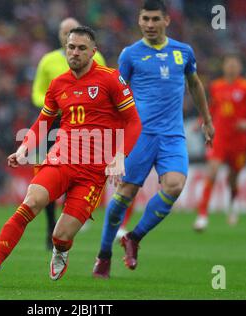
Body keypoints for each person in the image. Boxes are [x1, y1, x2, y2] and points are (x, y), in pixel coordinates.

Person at [0, 26, 141, 285]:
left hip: (93, 172)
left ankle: (60, 250)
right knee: (31, 202)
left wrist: (120, 156)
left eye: (81, 48)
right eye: (71, 47)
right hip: (60, 159)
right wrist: (23, 150)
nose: (75, 52)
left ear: (93, 52)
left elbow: (134, 122)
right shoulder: (58, 84)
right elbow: (43, 121)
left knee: (61, 234)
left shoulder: (110, 79)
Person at [92, 0, 214, 278]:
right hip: (139, 135)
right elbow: (115, 96)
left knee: (174, 185)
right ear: (139, 20)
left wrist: (207, 120)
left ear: (166, 21)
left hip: (172, 134)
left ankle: (134, 237)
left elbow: (194, 84)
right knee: (125, 194)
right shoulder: (130, 54)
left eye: (154, 19)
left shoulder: (183, 52)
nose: (149, 24)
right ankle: (104, 254)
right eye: (144, 19)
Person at [32, 18, 106, 250]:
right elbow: (38, 92)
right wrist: (54, 107)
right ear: (60, 37)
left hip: (84, 128)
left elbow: (104, 90)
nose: (68, 37)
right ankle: (50, 226)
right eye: (64, 33)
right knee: (48, 176)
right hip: (54, 124)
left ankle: (69, 217)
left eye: (71, 32)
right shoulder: (48, 61)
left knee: (76, 175)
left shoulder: (97, 60)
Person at [193, 54, 246, 231]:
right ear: (224, 67)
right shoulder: (216, 86)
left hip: (239, 141)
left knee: (233, 179)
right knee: (212, 172)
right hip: (219, 137)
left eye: (235, 64)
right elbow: (210, 107)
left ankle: (233, 203)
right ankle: (202, 215)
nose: (232, 67)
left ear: (239, 67)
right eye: (229, 64)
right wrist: (201, 121)